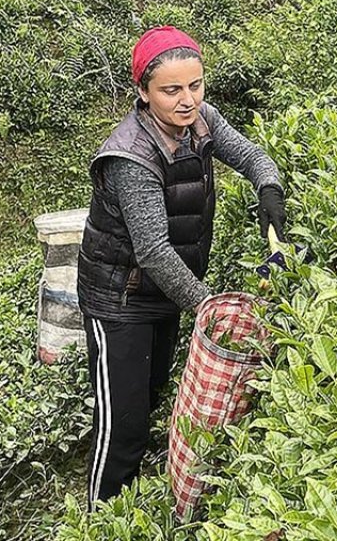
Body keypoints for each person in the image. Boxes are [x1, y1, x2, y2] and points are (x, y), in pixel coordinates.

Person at [75, 26, 286, 508]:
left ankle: (130, 504)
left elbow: (250, 155)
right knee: (121, 424)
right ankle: (100, 515)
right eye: (171, 90)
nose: (187, 99)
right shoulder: (130, 156)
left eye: (195, 85)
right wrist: (207, 306)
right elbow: (152, 250)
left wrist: (268, 190)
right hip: (120, 299)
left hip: (165, 292)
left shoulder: (202, 121)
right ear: (144, 93)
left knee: (148, 399)